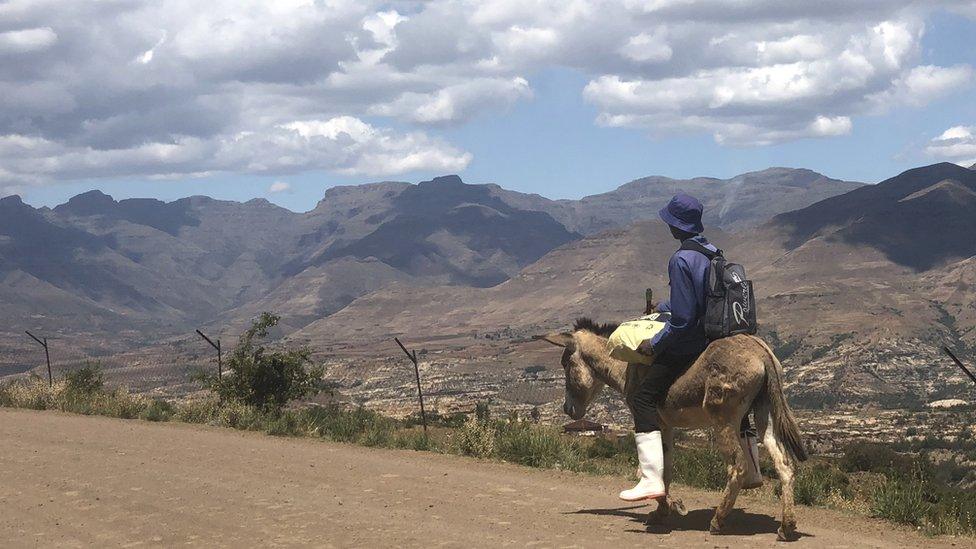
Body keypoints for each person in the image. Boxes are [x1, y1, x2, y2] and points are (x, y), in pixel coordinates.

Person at [619, 193, 762, 502]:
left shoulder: (681, 258)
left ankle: (651, 478)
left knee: (642, 399)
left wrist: (653, 343)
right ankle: (752, 467)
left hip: (688, 344)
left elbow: (683, 320)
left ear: (675, 226)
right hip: (712, 339)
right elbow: (699, 299)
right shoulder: (711, 252)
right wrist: (663, 305)